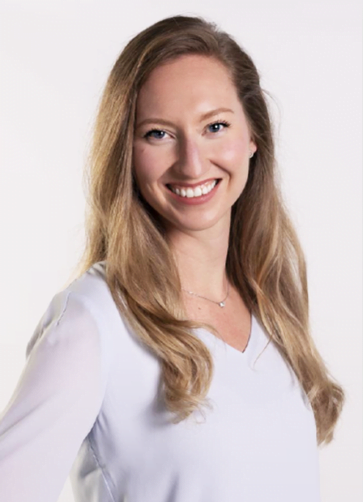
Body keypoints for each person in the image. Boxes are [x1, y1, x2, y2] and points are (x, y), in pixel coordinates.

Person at [0, 14, 345, 502]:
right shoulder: (95, 320)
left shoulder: (270, 304)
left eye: (215, 126)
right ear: (126, 150)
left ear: (253, 136)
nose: (192, 163)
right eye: (158, 134)